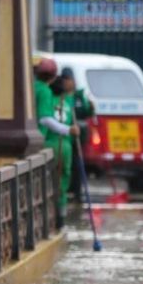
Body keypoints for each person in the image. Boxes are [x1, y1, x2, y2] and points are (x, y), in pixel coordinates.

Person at [32, 56, 76, 215]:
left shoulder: (33, 87)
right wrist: (68, 130)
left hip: (44, 142)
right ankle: (57, 215)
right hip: (49, 142)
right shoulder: (44, 91)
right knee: (58, 181)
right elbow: (44, 118)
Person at [55, 67, 94, 197]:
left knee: (78, 163)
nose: (66, 82)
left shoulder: (79, 95)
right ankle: (65, 191)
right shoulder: (60, 96)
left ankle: (77, 191)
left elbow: (87, 112)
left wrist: (91, 108)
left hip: (79, 136)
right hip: (65, 136)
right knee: (66, 165)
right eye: (64, 79)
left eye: (68, 79)